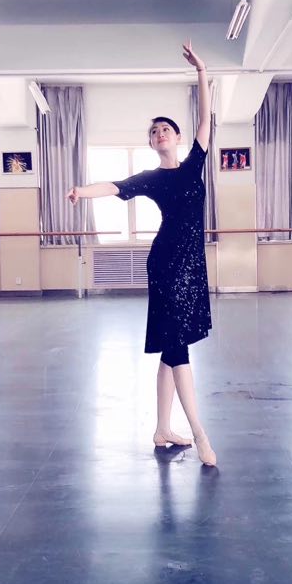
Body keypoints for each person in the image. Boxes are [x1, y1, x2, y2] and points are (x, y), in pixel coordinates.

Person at [67, 41, 216, 467]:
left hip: (193, 265)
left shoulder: (194, 163)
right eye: (153, 132)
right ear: (151, 143)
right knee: (179, 347)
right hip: (167, 263)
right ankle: (200, 434)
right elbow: (114, 186)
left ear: (178, 137)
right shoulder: (151, 178)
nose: (159, 133)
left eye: (165, 129)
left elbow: (205, 117)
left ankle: (162, 428)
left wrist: (201, 71)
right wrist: (81, 191)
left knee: (173, 346)